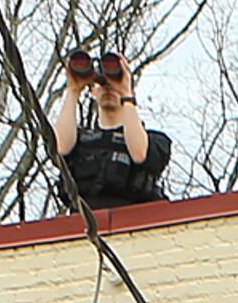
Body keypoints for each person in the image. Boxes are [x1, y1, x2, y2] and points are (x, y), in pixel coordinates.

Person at [50, 48, 170, 205]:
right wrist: (73, 90)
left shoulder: (155, 141)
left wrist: (126, 92)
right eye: (102, 84)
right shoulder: (80, 141)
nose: (108, 88)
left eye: (113, 84)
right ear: (93, 90)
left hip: (136, 220)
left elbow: (140, 154)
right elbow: (60, 148)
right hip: (86, 221)